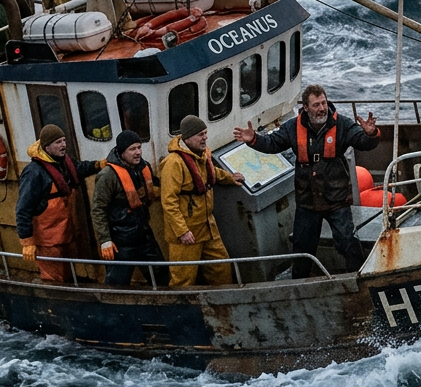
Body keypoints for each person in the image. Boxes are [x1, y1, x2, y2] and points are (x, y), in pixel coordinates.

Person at [234, 84, 380, 279]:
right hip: (307, 200)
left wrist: (370, 134)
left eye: (324, 103)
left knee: (347, 240)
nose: (322, 108)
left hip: (336, 199)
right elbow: (273, 143)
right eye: (316, 105)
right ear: (305, 107)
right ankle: (300, 280)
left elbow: (363, 142)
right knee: (302, 245)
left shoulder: (342, 124)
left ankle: (358, 277)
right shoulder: (292, 127)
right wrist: (254, 139)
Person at [159, 115, 244, 287]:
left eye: (205, 133)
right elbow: (168, 202)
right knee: (183, 278)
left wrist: (230, 177)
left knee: (221, 267)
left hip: (208, 226)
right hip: (187, 231)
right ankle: (180, 304)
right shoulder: (173, 163)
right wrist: (182, 231)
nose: (205, 137)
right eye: (200, 134)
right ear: (188, 138)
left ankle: (223, 299)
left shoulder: (202, 155)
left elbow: (212, 173)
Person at [15, 124, 100, 282]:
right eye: (58, 142)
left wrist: (99, 165)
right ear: (47, 147)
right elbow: (23, 209)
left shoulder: (63, 162)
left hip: (66, 235)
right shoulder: (34, 172)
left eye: (64, 140)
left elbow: (80, 168)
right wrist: (27, 242)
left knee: (68, 275)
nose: (63, 145)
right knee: (53, 280)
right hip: (48, 242)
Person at [90, 131, 166, 287]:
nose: (138, 152)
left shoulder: (144, 167)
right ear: (122, 152)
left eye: (139, 147)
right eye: (132, 149)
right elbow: (98, 209)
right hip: (121, 240)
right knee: (117, 284)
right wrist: (105, 240)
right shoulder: (107, 176)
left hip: (144, 235)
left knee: (162, 276)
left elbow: (156, 186)